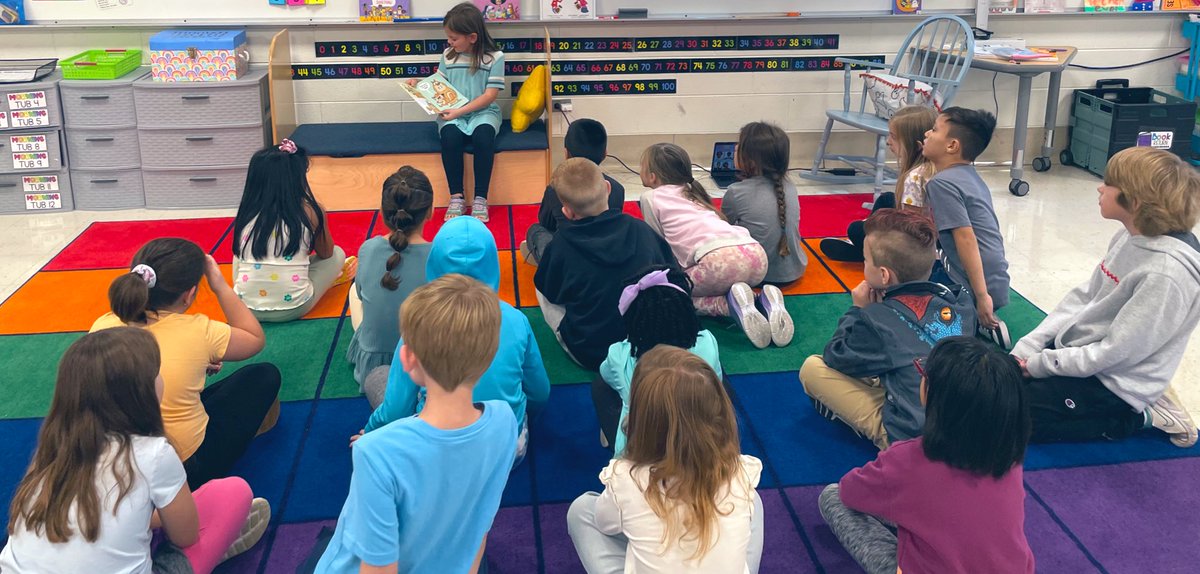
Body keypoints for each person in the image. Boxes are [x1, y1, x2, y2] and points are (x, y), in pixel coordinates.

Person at [0, 328, 269, 574]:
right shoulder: (153, 452)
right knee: (233, 493)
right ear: (143, 390)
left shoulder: (53, 446)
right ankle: (211, 550)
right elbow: (185, 536)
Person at [316, 274, 518, 574]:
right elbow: (481, 525)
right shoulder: (504, 419)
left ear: (407, 359)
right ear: (489, 358)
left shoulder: (375, 452)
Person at [1012, 147, 1200, 448]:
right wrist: (1031, 346)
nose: (1100, 187)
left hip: (1116, 384)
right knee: (997, 387)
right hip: (1088, 356)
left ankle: (1144, 414)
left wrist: (1040, 365)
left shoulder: (1166, 274)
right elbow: (1084, 298)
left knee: (1008, 420)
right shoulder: (1131, 235)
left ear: (1134, 202)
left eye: (1109, 183)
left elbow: (1115, 353)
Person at [819, 336, 1034, 574]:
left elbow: (850, 492)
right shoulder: (1010, 457)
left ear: (930, 394)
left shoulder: (909, 458)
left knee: (832, 497)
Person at [359, 217, 550, 465]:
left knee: (378, 376)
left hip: (437, 456)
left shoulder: (419, 322)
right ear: (493, 263)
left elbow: (396, 409)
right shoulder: (515, 319)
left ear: (436, 262)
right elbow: (539, 392)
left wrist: (372, 433)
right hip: (505, 453)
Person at [93, 238, 281, 488]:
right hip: (183, 470)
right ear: (189, 294)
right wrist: (220, 286)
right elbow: (254, 339)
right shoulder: (199, 331)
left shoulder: (102, 324)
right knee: (264, 375)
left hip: (109, 465)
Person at [568, 346, 764, 574]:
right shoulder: (738, 471)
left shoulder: (627, 477)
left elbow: (605, 523)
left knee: (582, 509)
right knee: (753, 502)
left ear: (642, 417)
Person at [800, 209, 976, 449]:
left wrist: (858, 310)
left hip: (914, 439)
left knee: (812, 368)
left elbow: (836, 356)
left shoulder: (875, 318)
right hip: (968, 427)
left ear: (883, 275)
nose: (864, 264)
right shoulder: (962, 302)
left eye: (865, 260)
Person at [640, 143, 792, 349]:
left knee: (671, 295)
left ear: (652, 177)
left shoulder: (650, 197)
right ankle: (761, 300)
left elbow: (658, 245)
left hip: (716, 263)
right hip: (755, 257)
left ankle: (728, 305)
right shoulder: (693, 191)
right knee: (725, 279)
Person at [533, 158, 679, 370]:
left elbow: (551, 292)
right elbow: (670, 271)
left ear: (567, 212)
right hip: (646, 344)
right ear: (608, 189)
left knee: (542, 285)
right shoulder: (641, 229)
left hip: (591, 353)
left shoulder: (562, 244)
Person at [594, 266, 722, 454]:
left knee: (600, 384)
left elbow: (606, 375)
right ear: (686, 311)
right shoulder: (707, 343)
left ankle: (611, 432)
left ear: (634, 321)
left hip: (637, 457)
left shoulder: (620, 355)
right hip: (701, 453)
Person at [232, 140, 353, 323]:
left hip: (244, 307)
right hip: (294, 307)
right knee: (338, 254)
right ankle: (326, 279)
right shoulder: (311, 210)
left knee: (238, 256)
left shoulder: (247, 210)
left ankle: (250, 287)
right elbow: (326, 253)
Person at [921, 107, 1011, 347]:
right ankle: (977, 315)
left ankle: (971, 320)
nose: (927, 133)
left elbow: (966, 238)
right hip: (995, 280)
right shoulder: (968, 175)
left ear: (952, 146)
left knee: (907, 289)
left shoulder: (942, 183)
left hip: (976, 287)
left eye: (935, 130)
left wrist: (982, 298)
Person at [409, 2, 506, 222]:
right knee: (450, 138)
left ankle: (481, 198)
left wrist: (459, 111)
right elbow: (439, 85)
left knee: (484, 137)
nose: (449, 42)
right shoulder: (449, 55)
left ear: (472, 37)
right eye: (449, 38)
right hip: (452, 112)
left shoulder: (495, 57)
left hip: (482, 112)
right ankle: (457, 196)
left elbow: (490, 96)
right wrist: (419, 84)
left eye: (454, 38)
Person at [347, 166, 434, 391]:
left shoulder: (368, 248)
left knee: (354, 293)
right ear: (430, 211)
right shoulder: (438, 255)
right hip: (427, 365)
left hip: (374, 366)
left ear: (382, 211)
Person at [820, 105, 938, 263]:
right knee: (886, 199)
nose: (888, 141)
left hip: (917, 245)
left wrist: (882, 229)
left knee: (856, 228)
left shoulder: (915, 177)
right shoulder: (938, 166)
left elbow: (912, 228)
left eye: (894, 137)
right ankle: (867, 249)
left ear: (916, 146)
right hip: (934, 237)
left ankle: (870, 251)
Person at [521, 118, 626, 266]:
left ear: (566, 153)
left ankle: (546, 260)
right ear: (605, 154)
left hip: (567, 256)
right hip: (606, 251)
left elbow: (545, 221)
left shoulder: (555, 188)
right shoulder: (617, 188)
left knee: (536, 229)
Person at [721, 121, 808, 285]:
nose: (735, 148)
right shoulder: (790, 187)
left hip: (758, 275)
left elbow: (723, 232)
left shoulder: (736, 192)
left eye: (739, 145)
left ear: (752, 160)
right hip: (795, 270)